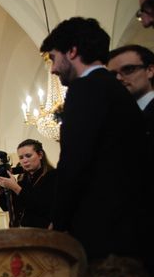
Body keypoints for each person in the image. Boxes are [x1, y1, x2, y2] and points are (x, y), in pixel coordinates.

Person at [39, 17, 149, 262]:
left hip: (102, 230)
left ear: (72, 51)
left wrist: (58, 223)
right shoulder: (116, 90)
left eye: (54, 57)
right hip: (132, 228)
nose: (53, 69)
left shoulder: (85, 89)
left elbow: (74, 163)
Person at [0, 139, 57, 228]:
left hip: (43, 233)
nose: (24, 161)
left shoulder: (53, 176)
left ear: (40, 155)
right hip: (20, 232)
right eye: (21, 157)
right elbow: (6, 207)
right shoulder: (22, 178)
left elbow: (41, 206)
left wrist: (15, 187)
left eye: (28, 156)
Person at [107, 45, 154, 159]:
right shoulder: (113, 117)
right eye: (113, 75)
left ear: (150, 71)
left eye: (128, 69)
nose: (118, 78)